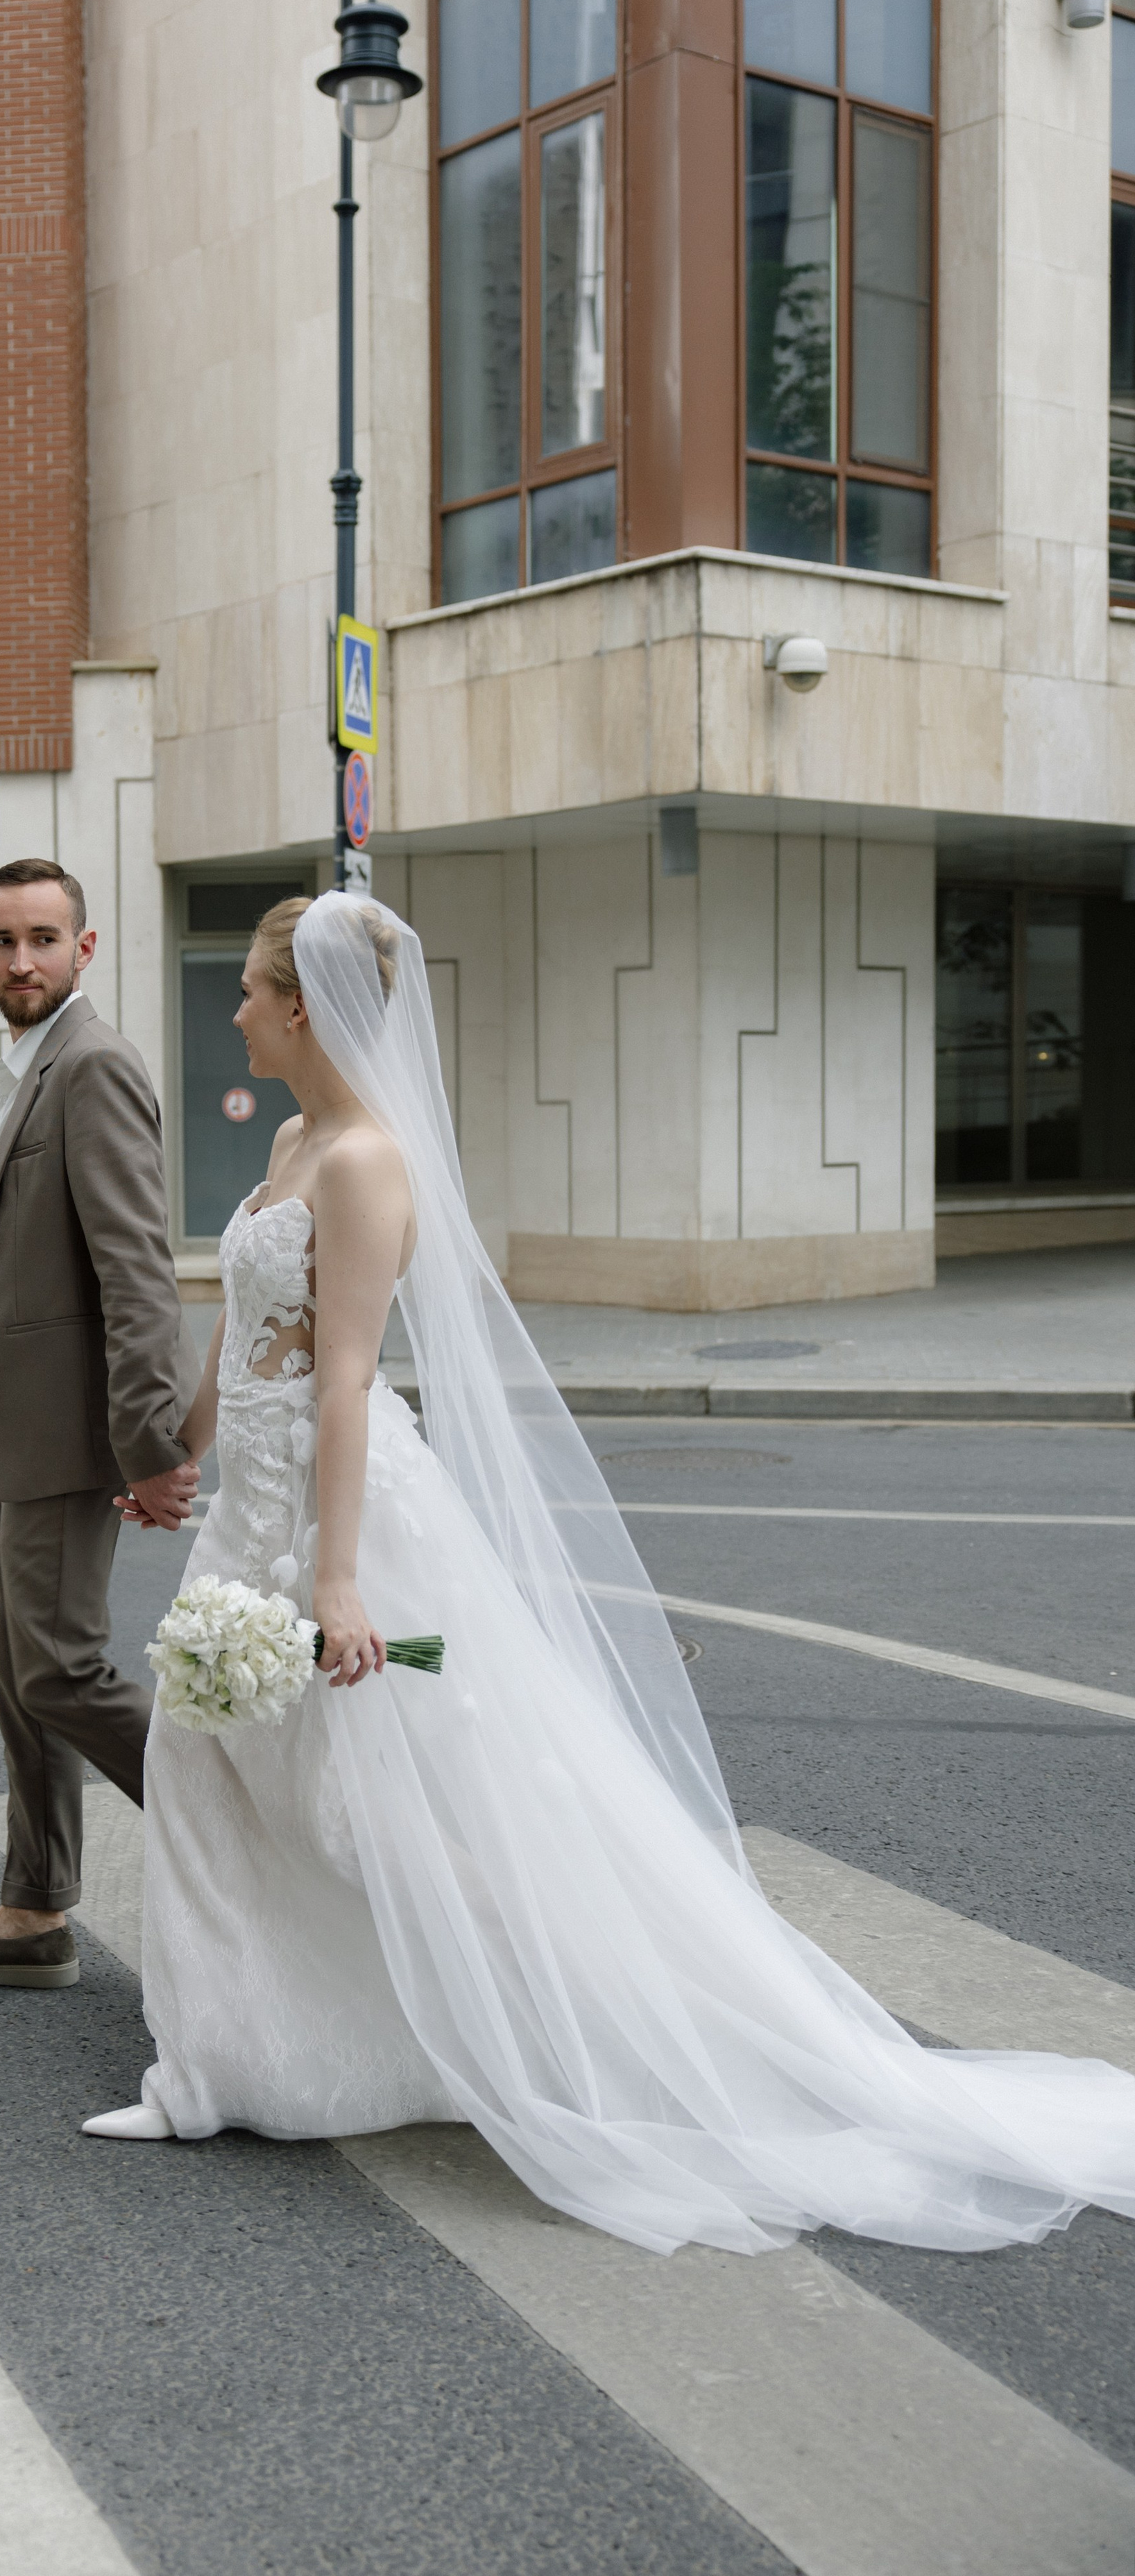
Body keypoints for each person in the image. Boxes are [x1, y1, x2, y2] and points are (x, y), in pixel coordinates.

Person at [83, 887, 1135, 2262]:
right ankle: (216, 2070)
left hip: (347, 1523)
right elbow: (248, 1325)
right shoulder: (291, 1139)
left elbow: (346, 1379)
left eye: (246, 991)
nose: (230, 1013)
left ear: (303, 1005)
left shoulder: (365, 1165)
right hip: (248, 1511)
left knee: (366, 1810)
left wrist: (337, 1582)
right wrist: (182, 1443)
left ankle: (605, 2016)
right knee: (201, 1764)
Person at [0, 860, 198, 1993]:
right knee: (17, 1673)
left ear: (87, 947)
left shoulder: (93, 1065)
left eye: (44, 939)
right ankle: (31, 1914)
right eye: (3, 940)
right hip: (25, 1436)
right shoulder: (35, 1064)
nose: (23, 960)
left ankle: (254, 1836)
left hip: (75, 1437)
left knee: (61, 1672)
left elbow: (137, 1273)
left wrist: (152, 1442)